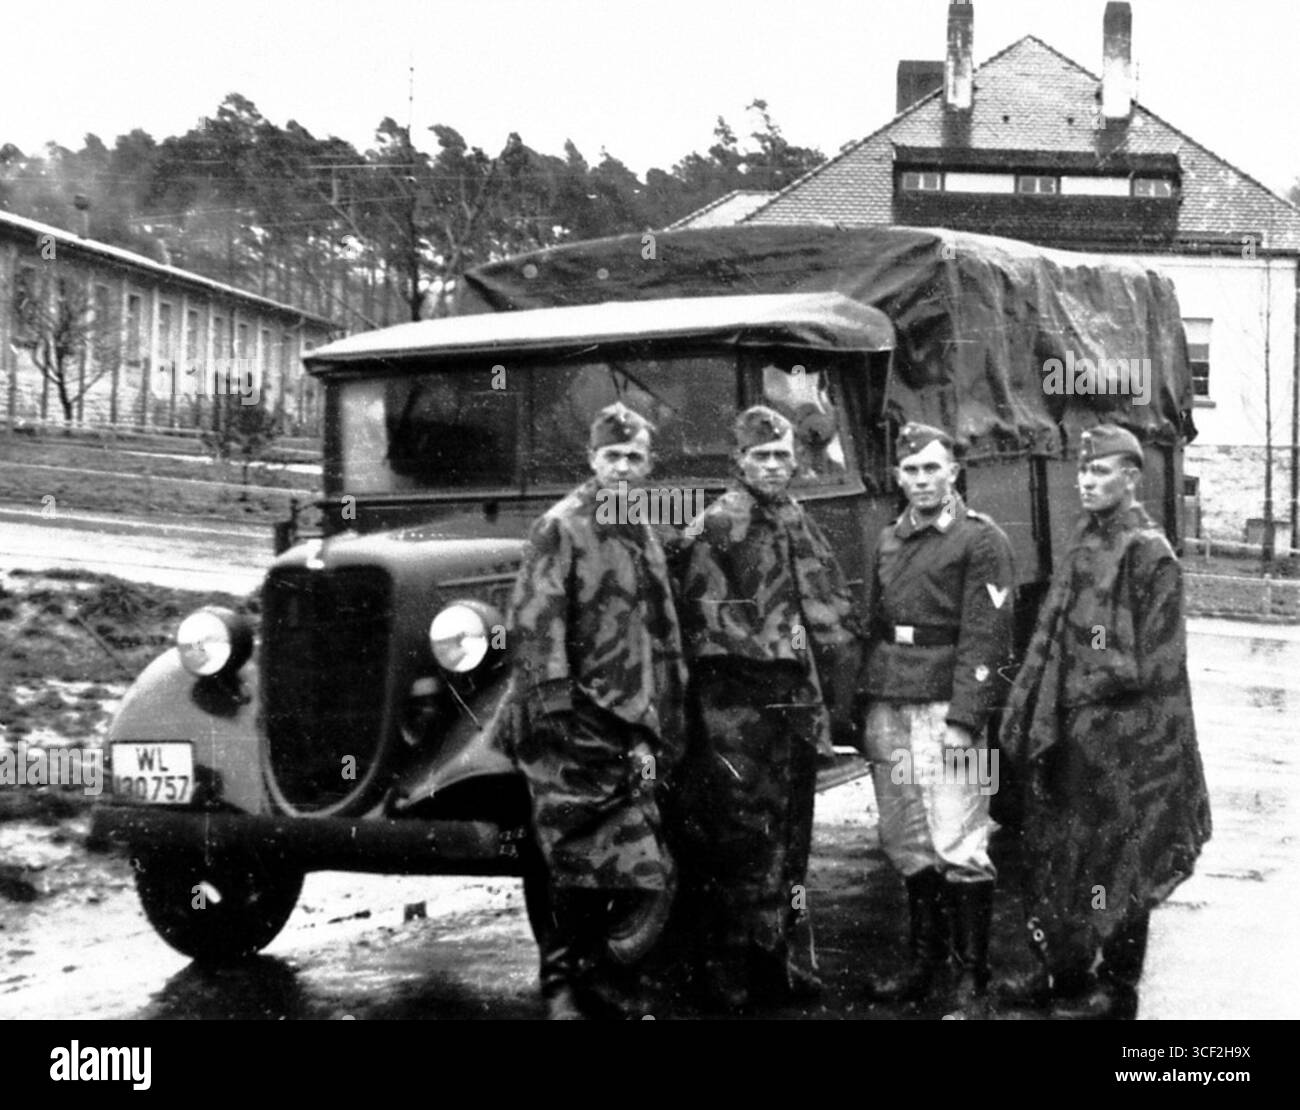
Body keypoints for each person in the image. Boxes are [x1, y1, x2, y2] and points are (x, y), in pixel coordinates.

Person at [998, 424, 1211, 1020]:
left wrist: (1143, 745)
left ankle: (1117, 992)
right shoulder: (1084, 540)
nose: (1087, 481)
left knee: (1120, 858)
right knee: (1062, 851)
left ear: (1132, 478)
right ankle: (1064, 973)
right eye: (1083, 472)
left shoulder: (1149, 553)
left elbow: (1161, 666)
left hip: (1123, 740)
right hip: (1070, 729)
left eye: (1100, 471)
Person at [676, 404, 861, 1011]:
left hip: (792, 706)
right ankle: (726, 973)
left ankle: (773, 960)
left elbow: (826, 601)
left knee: (789, 837)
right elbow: (708, 625)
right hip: (740, 711)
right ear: (740, 462)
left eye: (783, 455)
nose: (776, 466)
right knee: (739, 840)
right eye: (763, 457)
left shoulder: (795, 519)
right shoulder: (719, 524)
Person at [506, 401, 688, 1020]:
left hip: (632, 719)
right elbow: (535, 621)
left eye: (635, 457)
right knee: (570, 853)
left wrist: (666, 703)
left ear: (648, 464)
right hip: (574, 722)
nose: (623, 467)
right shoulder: (562, 526)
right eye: (612, 456)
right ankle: (561, 985)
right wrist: (556, 708)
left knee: (635, 859)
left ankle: (602, 975)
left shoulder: (640, 524)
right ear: (591, 459)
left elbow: (658, 622)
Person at [858, 422, 1015, 1015]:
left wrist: (966, 718)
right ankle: (922, 963)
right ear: (898, 477)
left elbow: (989, 635)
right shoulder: (889, 540)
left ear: (953, 472)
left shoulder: (980, 540)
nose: (921, 479)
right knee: (907, 838)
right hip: (893, 707)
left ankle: (971, 980)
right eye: (911, 470)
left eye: (932, 467)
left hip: (947, 709)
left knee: (960, 837)